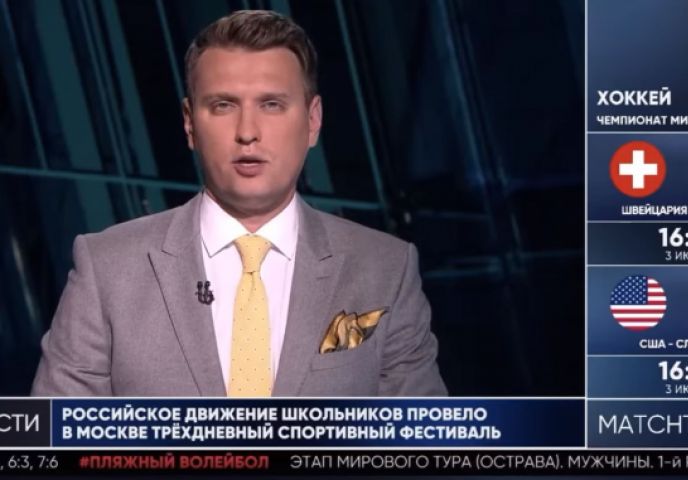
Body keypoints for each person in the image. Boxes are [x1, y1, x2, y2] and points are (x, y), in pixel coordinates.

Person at [31, 10, 446, 397]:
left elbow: (425, 440)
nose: (247, 132)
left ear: (313, 120)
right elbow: (48, 438)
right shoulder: (107, 269)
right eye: (223, 106)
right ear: (190, 123)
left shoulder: (385, 269)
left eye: (271, 105)